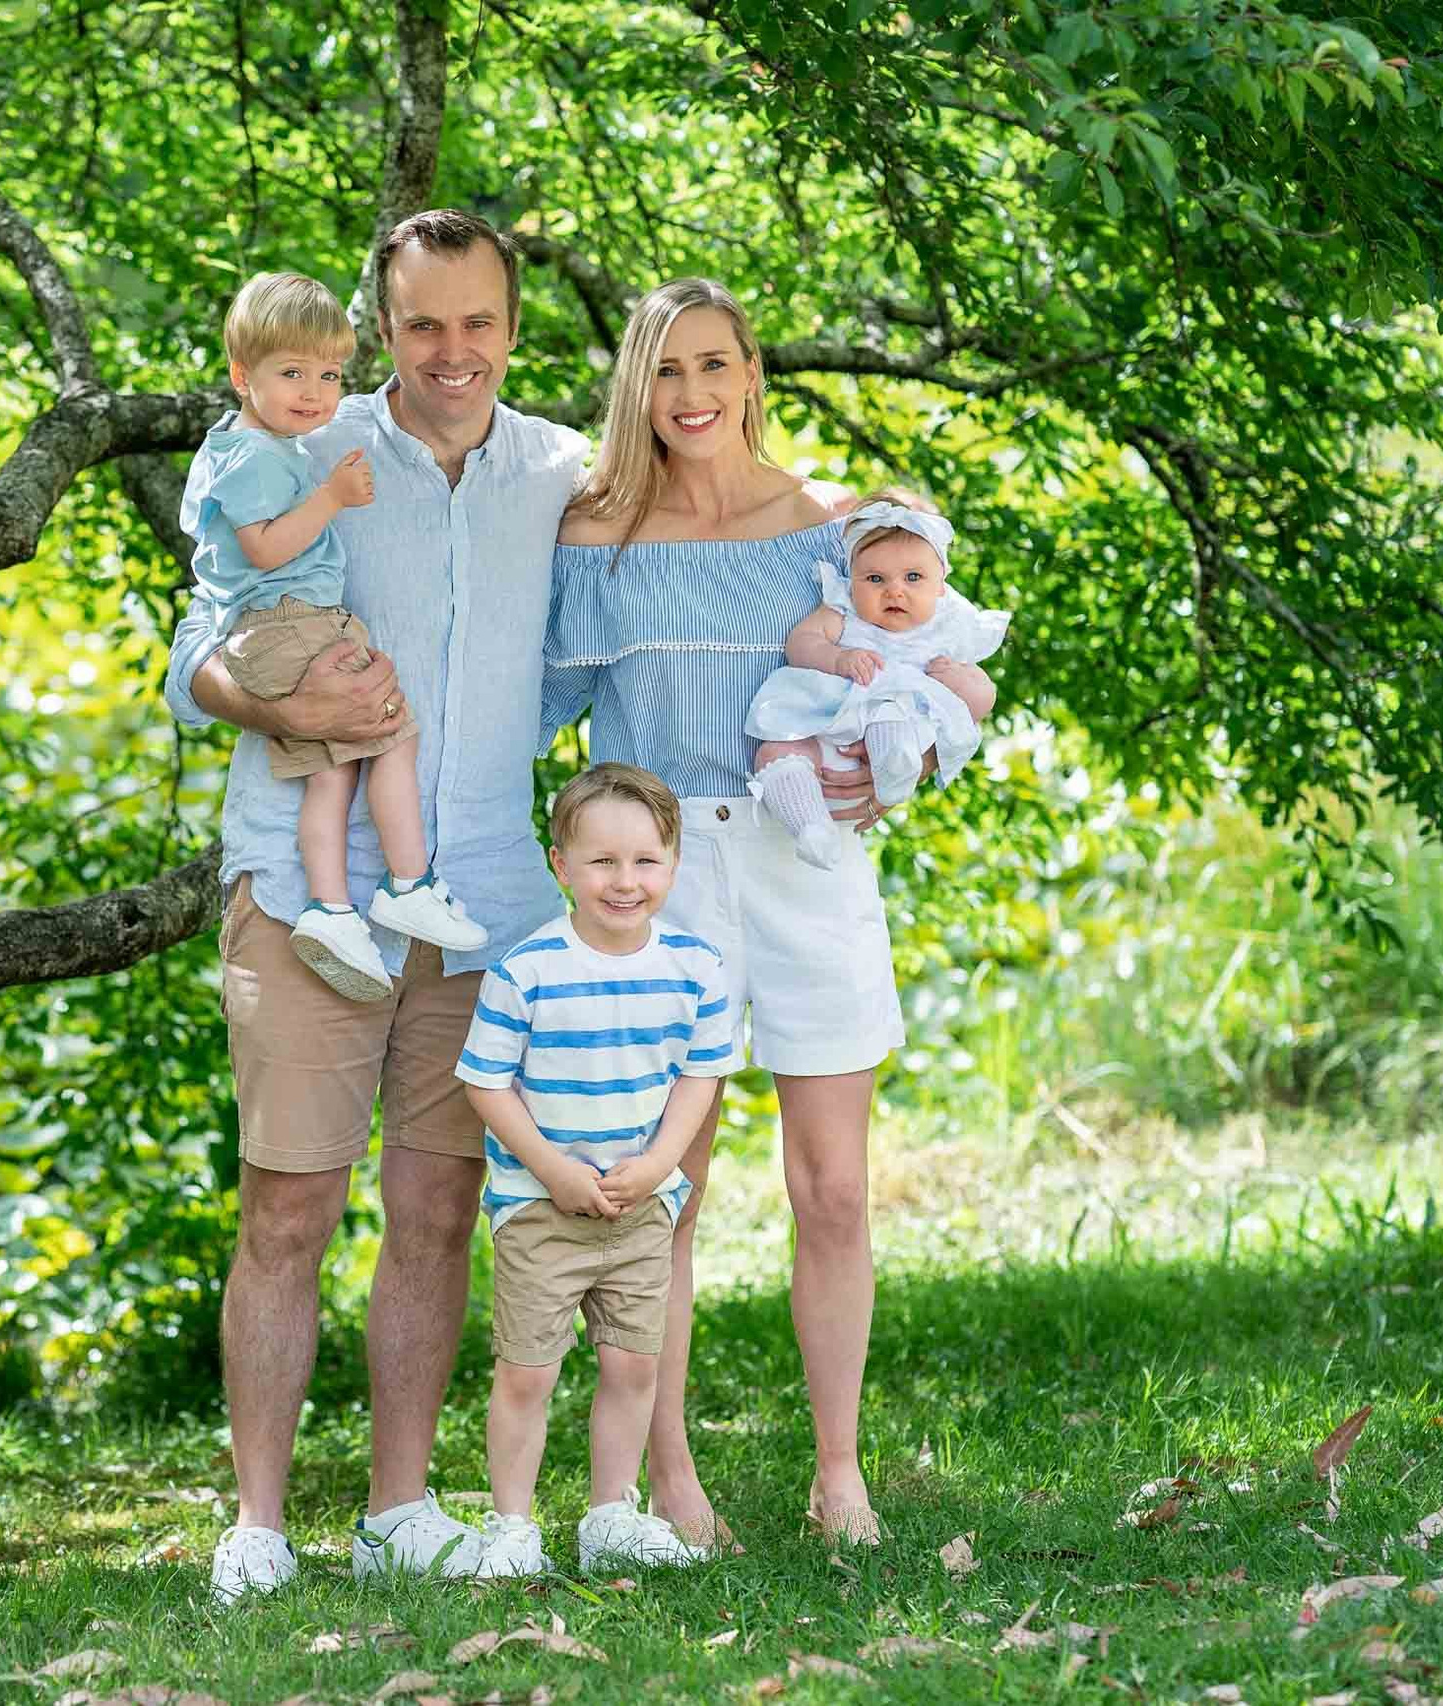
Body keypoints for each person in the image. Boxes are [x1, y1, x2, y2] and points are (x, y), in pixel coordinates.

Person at [162, 210, 589, 1604]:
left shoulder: (561, 471)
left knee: (438, 1208)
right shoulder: (308, 443)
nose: (451, 351)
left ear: (512, 328)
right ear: (382, 327)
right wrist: (282, 702)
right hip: (307, 889)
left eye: (477, 323)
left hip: (487, 904)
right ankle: (258, 1522)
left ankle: (399, 1507)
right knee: (287, 1210)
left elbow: (627, 616)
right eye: (421, 325)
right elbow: (193, 648)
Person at [543, 276, 912, 1548]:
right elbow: (530, 707)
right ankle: (671, 1479)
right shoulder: (595, 535)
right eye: (665, 368)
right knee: (663, 1194)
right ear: (636, 386)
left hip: (805, 857)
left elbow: (910, 669)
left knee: (834, 1188)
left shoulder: (829, 525)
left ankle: (840, 1473)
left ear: (753, 372)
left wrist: (900, 761)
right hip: (661, 872)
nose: (691, 392)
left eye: (713, 364)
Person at [456, 763, 739, 1577]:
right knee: (528, 1371)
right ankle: (512, 1527)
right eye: (602, 861)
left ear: (674, 863)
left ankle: (611, 1513)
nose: (625, 881)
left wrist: (659, 1165)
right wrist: (552, 1171)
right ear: (561, 865)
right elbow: (485, 1082)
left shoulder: (696, 968)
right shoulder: (528, 970)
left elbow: (701, 1076)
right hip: (541, 1208)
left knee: (634, 1364)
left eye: (646, 861)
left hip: (639, 1206)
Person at [180, 271, 490, 998]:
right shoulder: (257, 456)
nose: (315, 392)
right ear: (242, 376)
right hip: (289, 620)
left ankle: (330, 908)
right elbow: (263, 547)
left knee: (333, 769)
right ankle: (408, 884)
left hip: (276, 626)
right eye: (292, 373)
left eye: (329, 375)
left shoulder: (252, 446)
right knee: (392, 730)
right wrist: (332, 497)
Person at [748, 495, 1006, 868]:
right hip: (824, 726)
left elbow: (980, 700)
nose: (894, 590)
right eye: (875, 579)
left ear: (941, 584)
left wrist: (962, 680)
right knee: (774, 751)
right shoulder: (844, 610)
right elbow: (801, 642)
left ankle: (896, 764)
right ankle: (809, 826)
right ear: (852, 580)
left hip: (877, 749)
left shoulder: (947, 628)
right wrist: (837, 658)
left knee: (892, 712)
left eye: (913, 577)